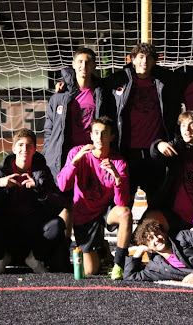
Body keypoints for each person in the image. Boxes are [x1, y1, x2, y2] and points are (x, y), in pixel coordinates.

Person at [43, 47, 114, 239]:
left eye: (88, 62)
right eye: (80, 62)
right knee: (66, 202)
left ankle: (97, 248)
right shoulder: (61, 95)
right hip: (68, 155)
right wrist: (49, 153)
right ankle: (63, 251)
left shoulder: (103, 94)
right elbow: (49, 128)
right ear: (73, 65)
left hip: (93, 155)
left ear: (94, 66)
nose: (84, 66)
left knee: (92, 201)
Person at [0, 128, 67, 274]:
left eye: (29, 145)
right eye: (20, 145)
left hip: (34, 227)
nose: (25, 149)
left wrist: (39, 189)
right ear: (13, 149)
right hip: (7, 226)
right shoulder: (1, 172)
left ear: (35, 149)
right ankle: (1, 258)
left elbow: (57, 206)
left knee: (57, 224)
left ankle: (34, 258)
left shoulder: (43, 172)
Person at [107, 42, 184, 204]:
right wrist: (66, 80)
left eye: (149, 58)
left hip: (155, 152)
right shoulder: (118, 80)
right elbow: (92, 83)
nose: (145, 61)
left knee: (157, 202)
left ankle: (148, 228)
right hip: (126, 151)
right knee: (123, 203)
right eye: (141, 57)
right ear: (132, 59)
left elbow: (192, 77)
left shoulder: (166, 81)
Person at [57, 116, 131, 280]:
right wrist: (74, 163)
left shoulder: (118, 162)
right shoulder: (77, 153)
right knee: (90, 270)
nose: (99, 137)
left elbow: (121, 203)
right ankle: (102, 250)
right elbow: (63, 186)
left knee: (125, 213)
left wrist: (117, 179)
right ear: (90, 135)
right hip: (85, 213)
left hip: (106, 210)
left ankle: (118, 264)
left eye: (104, 133)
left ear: (111, 137)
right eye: (96, 133)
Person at [149, 111, 193, 234]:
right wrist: (158, 145)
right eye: (183, 125)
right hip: (174, 211)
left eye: (192, 125)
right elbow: (156, 156)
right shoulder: (176, 146)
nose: (187, 129)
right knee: (149, 223)